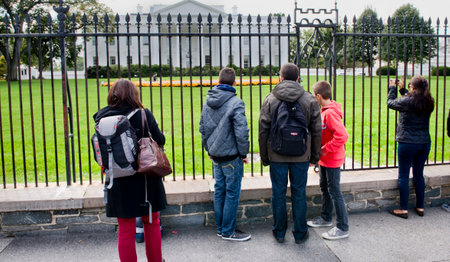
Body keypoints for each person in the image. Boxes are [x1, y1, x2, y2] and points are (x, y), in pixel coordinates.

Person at [93, 79, 166, 262]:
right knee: (151, 222)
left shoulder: (102, 119)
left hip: (117, 179)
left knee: (125, 230)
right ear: (134, 94)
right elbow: (160, 139)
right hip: (145, 178)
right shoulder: (143, 114)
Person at [258, 63, 322, 244]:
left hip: (276, 154)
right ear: (298, 78)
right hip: (301, 154)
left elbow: (263, 130)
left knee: (278, 193)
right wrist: (315, 157)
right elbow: (317, 131)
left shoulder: (270, 99)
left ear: (281, 78)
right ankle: (300, 233)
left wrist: (265, 157)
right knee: (299, 192)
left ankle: (279, 232)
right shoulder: (309, 99)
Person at [199, 67, 251, 241]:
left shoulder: (207, 101)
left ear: (219, 82)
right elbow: (241, 131)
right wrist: (244, 153)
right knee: (231, 193)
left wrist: (209, 149)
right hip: (231, 157)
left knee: (219, 191)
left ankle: (222, 228)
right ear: (235, 83)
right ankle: (228, 231)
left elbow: (202, 129)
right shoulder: (236, 102)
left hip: (216, 155)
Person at [387, 76, 434, 219]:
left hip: (407, 143)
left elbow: (391, 103)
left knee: (403, 176)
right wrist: (403, 90)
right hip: (424, 143)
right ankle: (420, 206)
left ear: (413, 88)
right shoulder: (429, 101)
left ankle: (403, 209)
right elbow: (412, 101)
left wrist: (393, 88)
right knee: (419, 174)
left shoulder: (407, 101)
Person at [307, 81, 349, 240]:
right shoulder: (324, 111)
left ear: (318, 96)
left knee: (334, 191)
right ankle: (325, 218)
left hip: (332, 159)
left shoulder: (330, 113)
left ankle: (342, 227)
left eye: (314, 96)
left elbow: (342, 136)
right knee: (325, 188)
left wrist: (323, 150)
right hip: (325, 159)